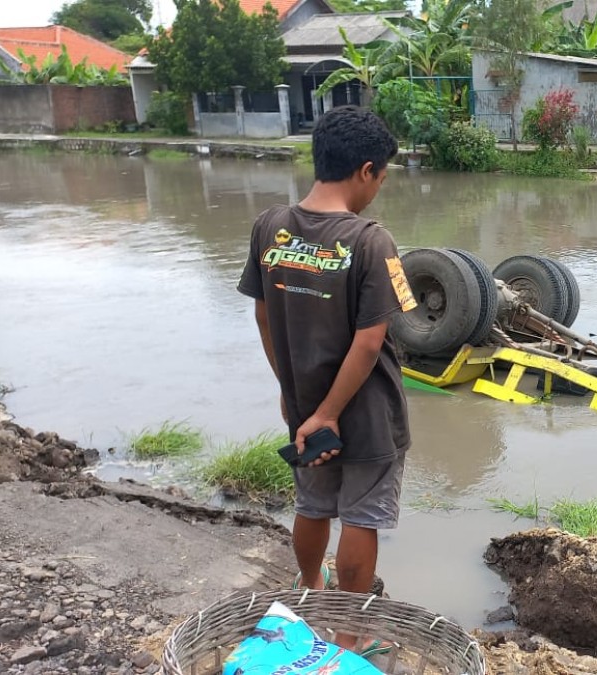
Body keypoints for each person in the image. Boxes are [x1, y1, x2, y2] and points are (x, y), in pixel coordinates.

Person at [237, 106, 416, 648]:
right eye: (381, 177)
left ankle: (309, 589)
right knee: (361, 517)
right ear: (366, 170)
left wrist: (297, 398)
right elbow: (370, 340)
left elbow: (264, 313)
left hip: (303, 410)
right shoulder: (371, 241)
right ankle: (347, 634)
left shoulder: (269, 226)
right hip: (363, 414)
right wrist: (331, 412)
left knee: (313, 503)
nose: (379, 188)